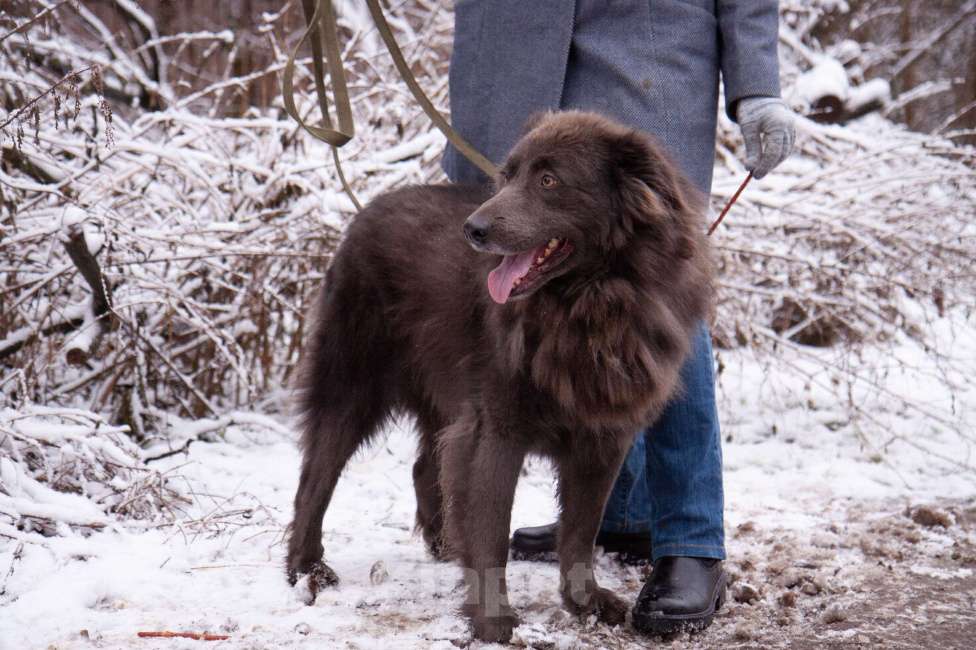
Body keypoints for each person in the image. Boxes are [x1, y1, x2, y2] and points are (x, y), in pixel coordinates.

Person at [442, 0, 795, 636]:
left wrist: (757, 86)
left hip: (647, 57)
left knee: (658, 291)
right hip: (507, 62)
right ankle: (619, 514)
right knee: (531, 293)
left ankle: (690, 537)